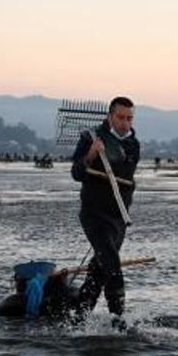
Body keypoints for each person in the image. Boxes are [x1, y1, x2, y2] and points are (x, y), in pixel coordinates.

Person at [70, 96, 140, 329]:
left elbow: (126, 176)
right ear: (110, 116)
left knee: (98, 270)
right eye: (120, 118)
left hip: (119, 215)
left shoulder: (133, 144)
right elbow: (77, 173)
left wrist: (113, 155)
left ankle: (78, 317)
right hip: (93, 213)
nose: (125, 123)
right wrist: (91, 154)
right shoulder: (90, 137)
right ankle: (118, 319)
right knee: (111, 261)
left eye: (129, 118)